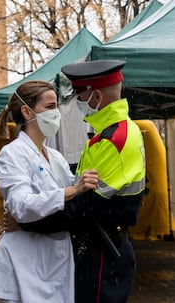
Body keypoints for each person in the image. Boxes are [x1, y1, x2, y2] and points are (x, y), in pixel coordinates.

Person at [19, 60, 146, 303]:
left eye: (79, 95)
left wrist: (27, 221)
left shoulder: (114, 140)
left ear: (96, 96)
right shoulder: (109, 134)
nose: (76, 102)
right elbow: (79, 185)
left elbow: (84, 208)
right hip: (100, 245)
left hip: (102, 249)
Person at [0, 80, 99, 303]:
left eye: (56, 106)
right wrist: (72, 190)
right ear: (27, 112)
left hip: (54, 262)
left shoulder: (55, 157)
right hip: (23, 263)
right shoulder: (12, 155)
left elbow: (73, 204)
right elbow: (21, 205)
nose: (56, 112)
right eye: (49, 106)